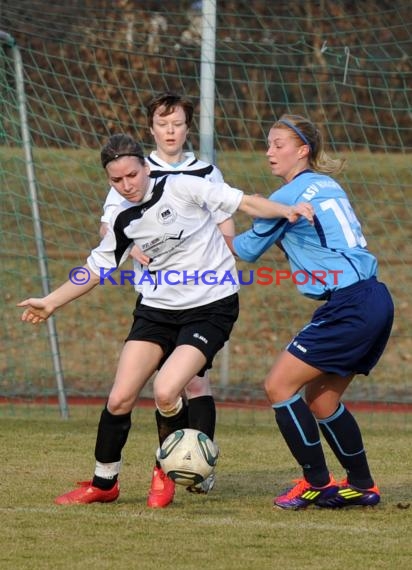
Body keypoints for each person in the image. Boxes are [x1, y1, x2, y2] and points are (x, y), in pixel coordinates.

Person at [18, 133, 314, 507]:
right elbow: (96, 268)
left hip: (211, 306)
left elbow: (242, 202)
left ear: (146, 167)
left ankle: (164, 471)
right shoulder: (124, 220)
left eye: (132, 175)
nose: (126, 185)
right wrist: (50, 302)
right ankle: (104, 483)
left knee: (166, 389)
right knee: (120, 397)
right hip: (156, 310)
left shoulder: (184, 187)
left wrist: (285, 211)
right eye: (116, 180)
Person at [226, 114, 394, 510]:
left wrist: (213, 218)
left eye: (279, 144)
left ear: (303, 150)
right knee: (320, 401)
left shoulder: (287, 197)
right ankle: (362, 485)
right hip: (373, 299)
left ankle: (316, 483)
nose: (269, 152)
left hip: (350, 304)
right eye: (268, 143)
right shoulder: (327, 184)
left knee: (278, 386)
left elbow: (245, 251)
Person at [100, 92, 236, 506]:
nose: (171, 131)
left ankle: (197, 464)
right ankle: (117, 476)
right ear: (152, 129)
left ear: (187, 127)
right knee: (148, 388)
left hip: (200, 297)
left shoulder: (205, 172)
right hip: (156, 299)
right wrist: (128, 249)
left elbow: (226, 225)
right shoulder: (134, 171)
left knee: (192, 380)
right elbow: (110, 231)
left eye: (177, 123)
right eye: (163, 124)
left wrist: (217, 261)